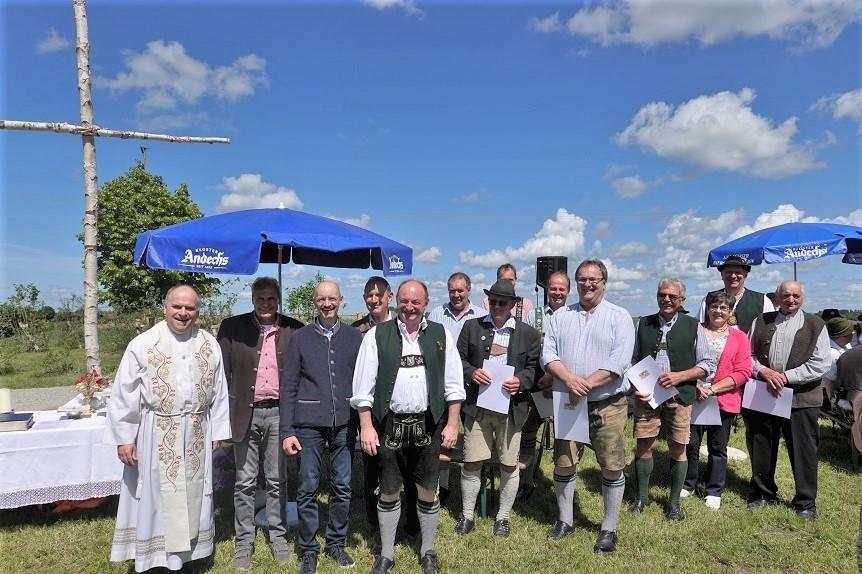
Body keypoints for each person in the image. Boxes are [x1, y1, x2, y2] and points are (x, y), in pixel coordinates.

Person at [105, 284, 230, 572]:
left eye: (190, 307)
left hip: (198, 429)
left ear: (197, 311)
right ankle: (155, 560)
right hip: (156, 430)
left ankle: (187, 557)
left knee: (195, 494)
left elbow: (220, 390)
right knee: (157, 495)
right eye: (177, 306)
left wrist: (218, 432)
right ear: (165, 307)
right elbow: (125, 393)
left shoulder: (209, 343)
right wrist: (125, 438)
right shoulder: (143, 344)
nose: (183, 313)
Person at [351, 280, 465, 574]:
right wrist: (366, 426)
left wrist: (452, 424)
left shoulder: (441, 335)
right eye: (404, 301)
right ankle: (386, 554)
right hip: (388, 425)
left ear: (426, 303)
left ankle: (427, 550)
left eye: (416, 302)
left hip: (429, 424)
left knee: (428, 488)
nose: (409, 307)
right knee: (388, 490)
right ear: (395, 301)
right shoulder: (376, 335)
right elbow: (363, 388)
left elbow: (454, 386)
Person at [541, 259, 635, 553]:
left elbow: (618, 362)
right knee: (564, 462)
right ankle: (565, 520)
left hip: (607, 404)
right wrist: (570, 380)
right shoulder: (560, 317)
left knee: (611, 465)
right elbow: (548, 354)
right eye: (582, 279)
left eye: (594, 279)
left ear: (604, 283)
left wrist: (582, 385)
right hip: (569, 402)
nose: (587, 284)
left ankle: (608, 528)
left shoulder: (619, 317)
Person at [216, 277, 304, 570]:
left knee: (278, 478)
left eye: (271, 299)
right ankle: (244, 541)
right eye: (260, 299)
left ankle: (278, 535)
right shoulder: (232, 328)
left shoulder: (294, 329)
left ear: (278, 299)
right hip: (246, 413)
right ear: (252, 299)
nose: (266, 304)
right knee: (245, 481)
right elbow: (220, 376)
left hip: (280, 414)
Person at [280, 281, 363, 574]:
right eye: (321, 299)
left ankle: (336, 543)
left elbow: (364, 382)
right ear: (314, 302)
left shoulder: (355, 338)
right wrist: (287, 430)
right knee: (307, 486)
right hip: (308, 424)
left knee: (342, 486)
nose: (326, 304)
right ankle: (308, 549)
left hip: (344, 422)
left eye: (332, 299)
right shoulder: (300, 338)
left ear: (341, 301)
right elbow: (288, 386)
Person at [454, 279, 541, 537]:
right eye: (493, 301)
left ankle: (502, 517)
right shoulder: (471, 327)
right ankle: (467, 515)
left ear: (513, 305)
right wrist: (472, 372)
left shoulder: (528, 334)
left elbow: (534, 369)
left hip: (511, 408)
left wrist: (522, 382)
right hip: (477, 408)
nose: (497, 306)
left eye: (503, 302)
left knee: (508, 464)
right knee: (471, 461)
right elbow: (457, 359)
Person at [629, 278, 715, 521]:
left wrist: (680, 376)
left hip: (680, 395)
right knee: (644, 444)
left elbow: (707, 364)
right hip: (647, 396)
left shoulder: (693, 325)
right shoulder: (643, 324)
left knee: (679, 447)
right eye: (662, 294)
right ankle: (642, 498)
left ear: (681, 301)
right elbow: (633, 360)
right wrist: (636, 384)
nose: (666, 299)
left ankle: (674, 502)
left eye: (672, 296)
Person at [747, 280, 831, 520]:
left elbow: (821, 363)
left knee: (803, 450)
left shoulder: (816, 324)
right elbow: (748, 355)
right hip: (765, 392)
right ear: (777, 297)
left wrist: (786, 376)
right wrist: (763, 372)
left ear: (802, 297)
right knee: (762, 444)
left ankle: (805, 502)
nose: (790, 299)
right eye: (785, 295)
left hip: (802, 397)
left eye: (795, 295)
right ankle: (763, 493)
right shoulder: (760, 321)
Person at [682, 291, 752, 510]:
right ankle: (688, 483)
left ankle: (714, 490)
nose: (718, 311)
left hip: (723, 399)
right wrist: (695, 385)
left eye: (723, 308)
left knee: (718, 447)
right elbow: (682, 362)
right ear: (707, 308)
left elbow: (743, 372)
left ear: (730, 312)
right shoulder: (694, 331)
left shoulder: (740, 337)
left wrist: (712, 389)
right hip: (694, 396)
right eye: (714, 306)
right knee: (690, 443)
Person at [351, 276, 409, 530]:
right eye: (368, 295)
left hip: (398, 410)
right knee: (371, 464)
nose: (373, 300)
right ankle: (374, 519)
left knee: (403, 465)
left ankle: (406, 518)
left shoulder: (403, 326)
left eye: (378, 295)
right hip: (369, 411)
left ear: (389, 296)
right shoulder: (356, 330)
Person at [518, 270, 571, 499]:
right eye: (553, 288)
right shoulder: (535, 316)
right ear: (546, 290)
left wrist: (557, 378)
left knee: (566, 438)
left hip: (566, 385)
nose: (557, 293)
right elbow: (526, 352)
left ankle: (564, 488)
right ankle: (526, 481)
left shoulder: (576, 316)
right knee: (528, 433)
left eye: (562, 289)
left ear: (568, 291)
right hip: (537, 386)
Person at [697, 255, 774, 332]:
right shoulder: (709, 299)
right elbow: (700, 328)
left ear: (745, 275)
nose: (733, 276)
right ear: (722, 275)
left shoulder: (763, 300)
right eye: (728, 272)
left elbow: (769, 330)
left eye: (738, 272)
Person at [428, 272, 485, 340]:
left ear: (468, 290)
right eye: (452, 291)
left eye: (460, 291)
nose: (456, 295)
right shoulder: (436, 315)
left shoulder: (482, 316)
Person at [822, 317, 855, 410]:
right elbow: (829, 381)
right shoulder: (831, 353)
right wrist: (833, 403)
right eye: (850, 333)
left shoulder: (845, 344)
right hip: (836, 391)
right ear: (842, 335)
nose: (853, 334)